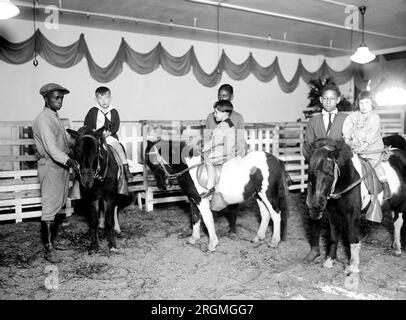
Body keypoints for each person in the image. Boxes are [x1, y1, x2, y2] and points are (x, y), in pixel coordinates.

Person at [33, 83, 80, 263]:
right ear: (46, 98)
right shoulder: (43, 119)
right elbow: (51, 148)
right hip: (50, 167)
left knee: (58, 202)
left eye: (61, 98)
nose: (60, 101)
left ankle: (52, 242)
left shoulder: (55, 117)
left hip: (59, 167)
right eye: (56, 98)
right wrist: (69, 161)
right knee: (49, 207)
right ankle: (49, 248)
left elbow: (62, 143)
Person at [303, 81, 348, 263]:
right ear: (321, 100)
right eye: (325, 98)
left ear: (337, 100)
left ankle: (332, 251)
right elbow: (307, 146)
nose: (329, 101)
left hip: (337, 174)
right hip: (318, 173)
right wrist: (316, 163)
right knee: (315, 208)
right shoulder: (313, 121)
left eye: (332, 98)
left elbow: (348, 145)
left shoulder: (345, 120)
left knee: (335, 213)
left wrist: (336, 161)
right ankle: (314, 248)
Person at [342, 90, 391, 200]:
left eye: (367, 103)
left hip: (371, 148)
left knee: (375, 165)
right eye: (361, 103)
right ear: (358, 104)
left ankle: (385, 185)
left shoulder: (374, 117)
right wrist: (347, 140)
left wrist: (363, 147)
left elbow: (371, 136)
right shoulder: (353, 116)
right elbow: (347, 127)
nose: (364, 106)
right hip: (355, 148)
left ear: (372, 103)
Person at [84, 86, 132, 181]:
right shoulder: (93, 111)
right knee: (87, 150)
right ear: (96, 99)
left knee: (118, 147)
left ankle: (125, 167)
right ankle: (87, 170)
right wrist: (94, 132)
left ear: (110, 98)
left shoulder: (114, 112)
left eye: (106, 98)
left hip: (109, 136)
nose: (103, 101)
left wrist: (109, 133)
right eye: (100, 98)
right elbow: (87, 124)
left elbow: (116, 125)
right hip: (96, 137)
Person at [201, 100, 236, 211]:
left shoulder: (223, 125)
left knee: (208, 160)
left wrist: (203, 148)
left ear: (225, 113)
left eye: (216, 112)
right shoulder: (229, 123)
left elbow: (214, 141)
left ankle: (210, 185)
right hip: (227, 150)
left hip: (225, 151)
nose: (214, 114)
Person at [206, 84, 246, 158]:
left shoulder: (238, 117)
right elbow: (207, 138)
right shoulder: (210, 117)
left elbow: (241, 140)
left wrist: (240, 153)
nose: (221, 98)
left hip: (231, 156)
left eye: (224, 96)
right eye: (219, 95)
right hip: (215, 156)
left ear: (232, 97)